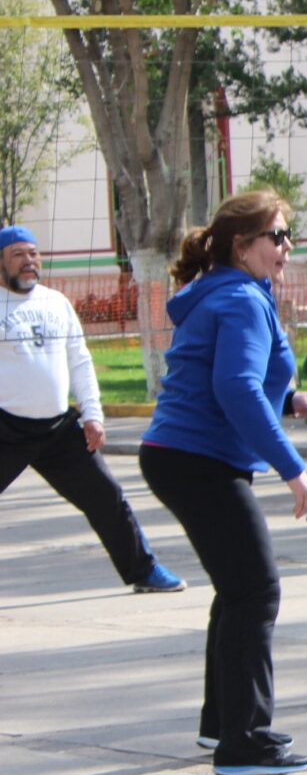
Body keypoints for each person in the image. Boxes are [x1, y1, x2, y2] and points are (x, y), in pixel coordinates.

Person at [139, 191, 307, 775]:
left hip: (181, 455)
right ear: (242, 246)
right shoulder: (242, 299)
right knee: (256, 592)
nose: (286, 247)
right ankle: (244, 743)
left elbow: (236, 379)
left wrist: (290, 400)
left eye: (287, 236)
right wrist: (292, 468)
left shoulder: (233, 292)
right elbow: (236, 390)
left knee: (237, 590)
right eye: (276, 236)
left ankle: (222, 723)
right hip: (199, 461)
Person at [1, 226, 181, 593]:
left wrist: (93, 414)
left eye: (34, 254)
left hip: (57, 429)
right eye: (19, 254)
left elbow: (80, 362)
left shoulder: (55, 303)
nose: (29, 262)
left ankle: (144, 573)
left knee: (107, 497)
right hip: (5, 428)